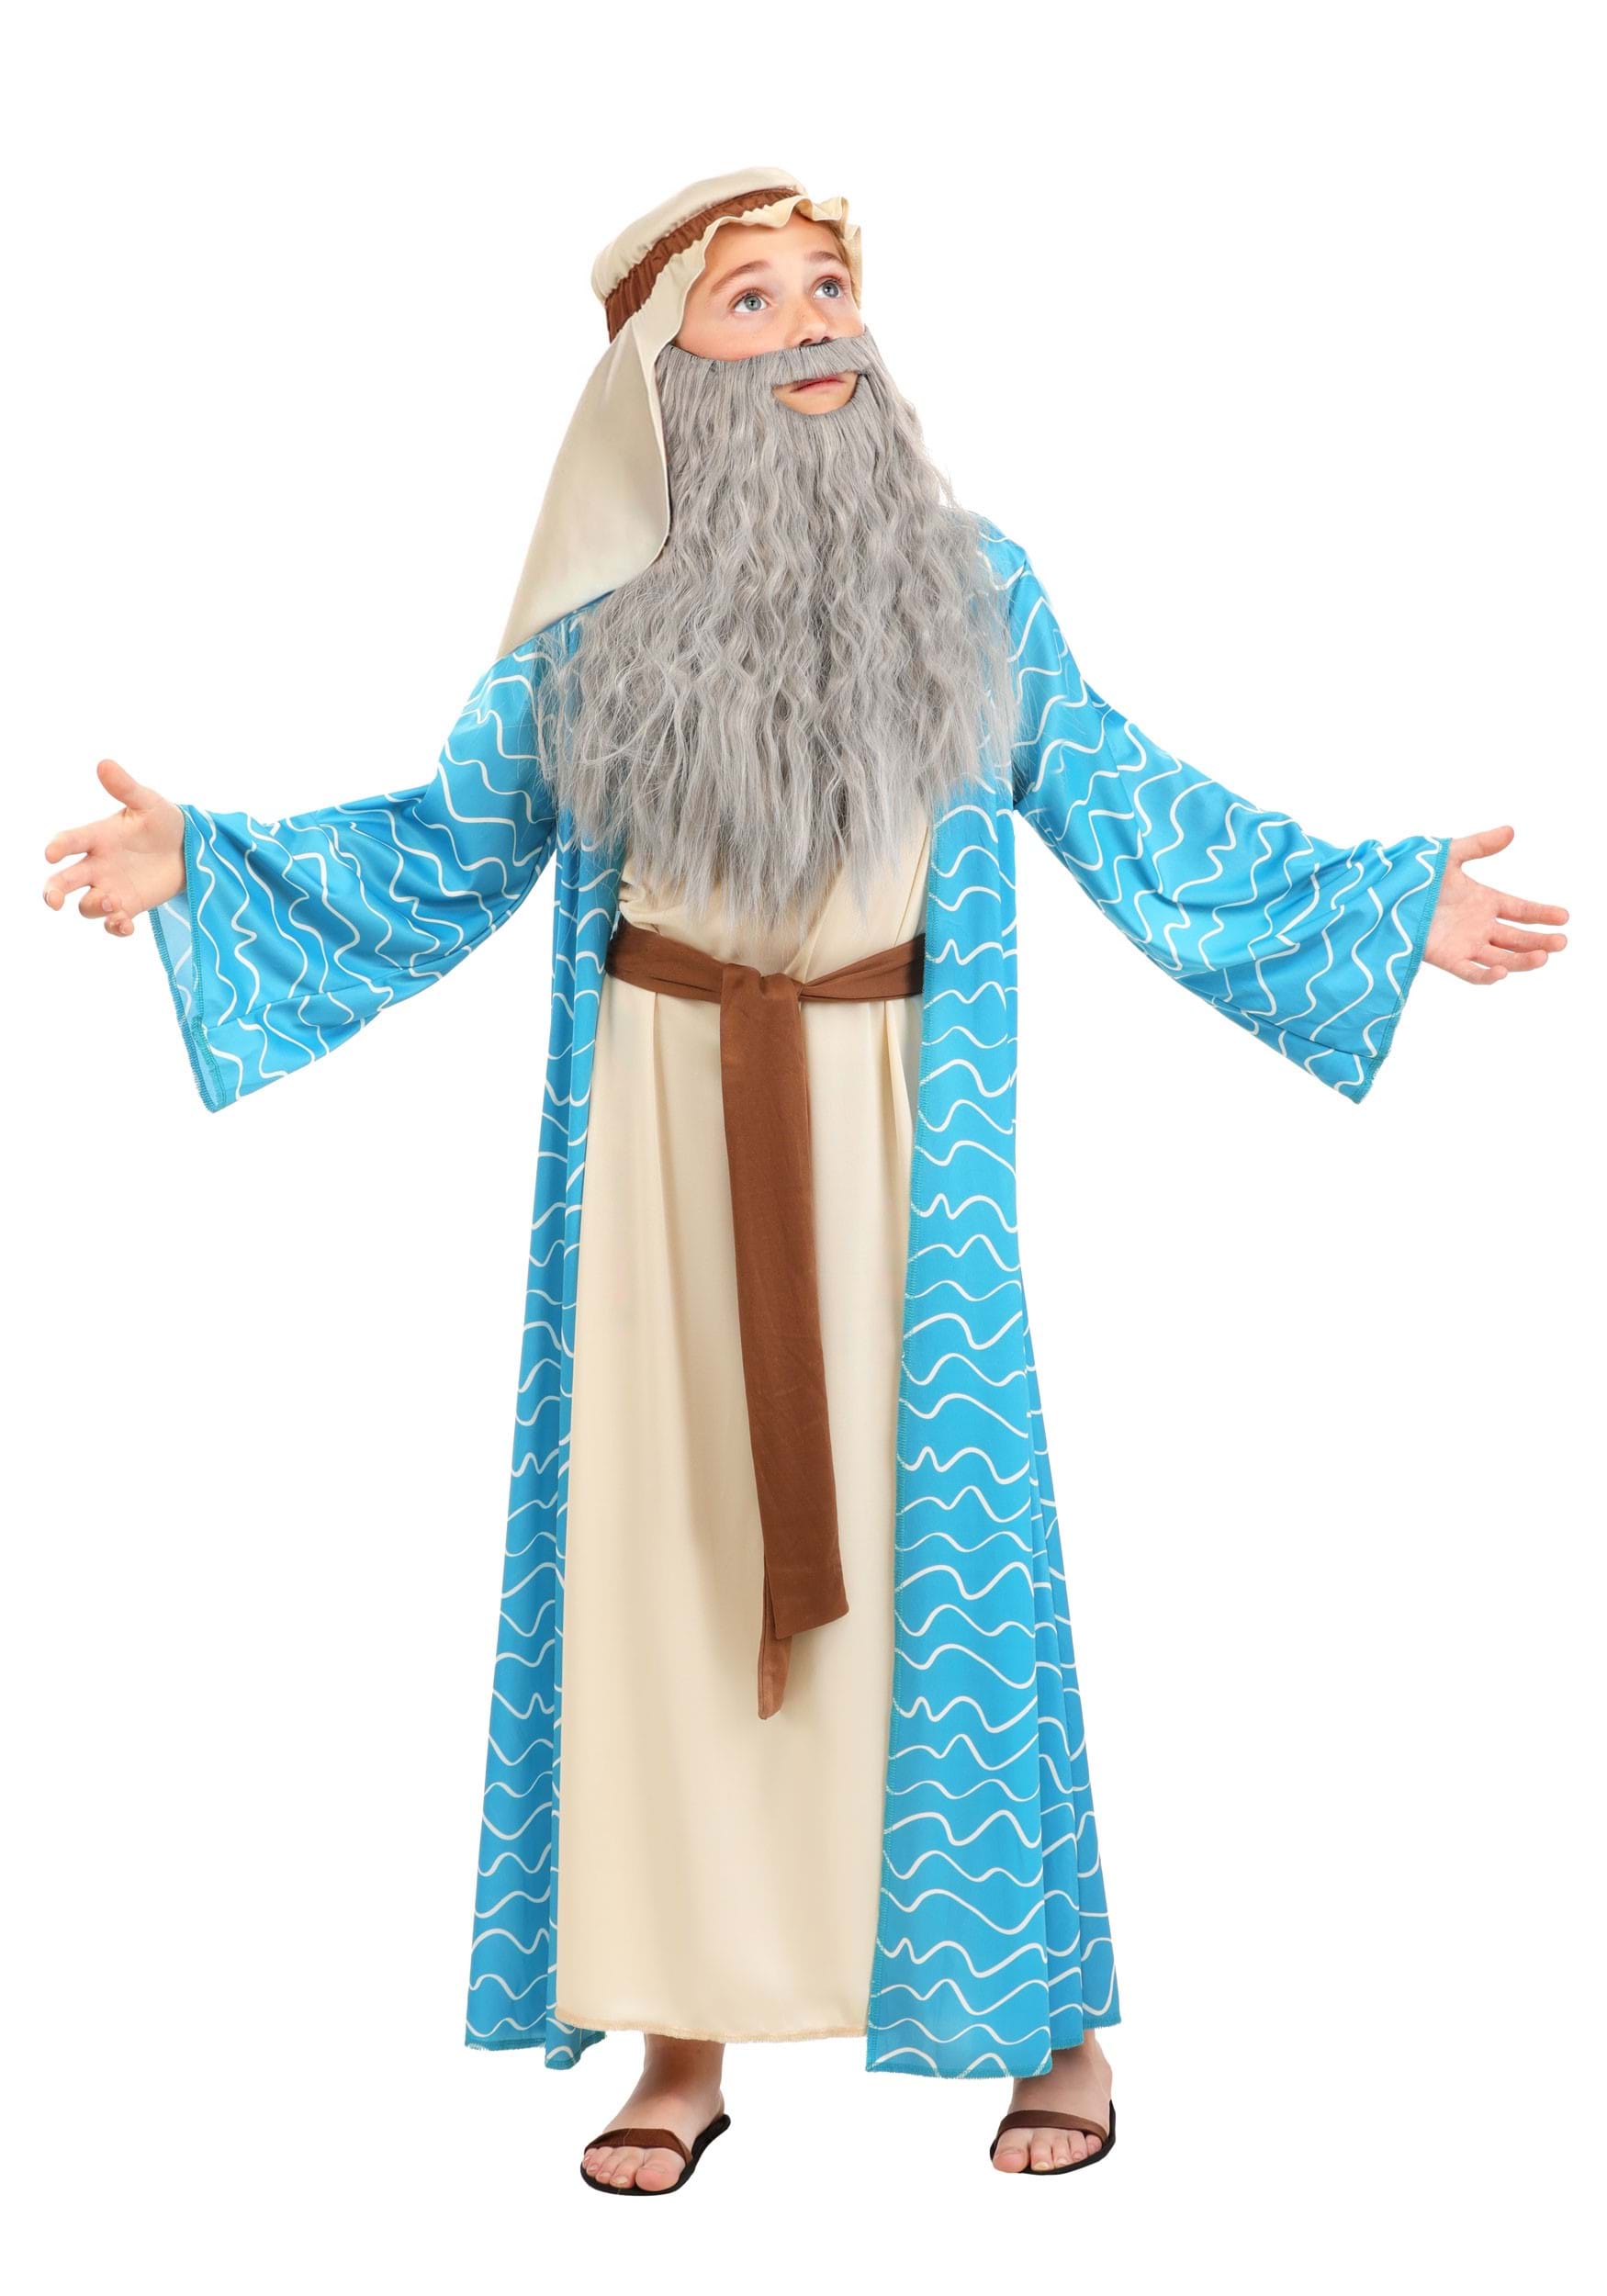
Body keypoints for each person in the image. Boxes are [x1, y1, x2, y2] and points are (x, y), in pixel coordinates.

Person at [41, 167, 1568, 2195]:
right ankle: (677, 2031)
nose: (813, 326)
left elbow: (1128, 800)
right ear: (659, 370)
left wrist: (1370, 906)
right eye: (750, 299)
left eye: (828, 285)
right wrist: (204, 865)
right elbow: (439, 846)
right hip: (663, 1142)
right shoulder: (592, 629)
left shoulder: (977, 588)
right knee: (665, 1561)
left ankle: (1043, 2013)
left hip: (895, 1136)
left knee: (944, 1552)